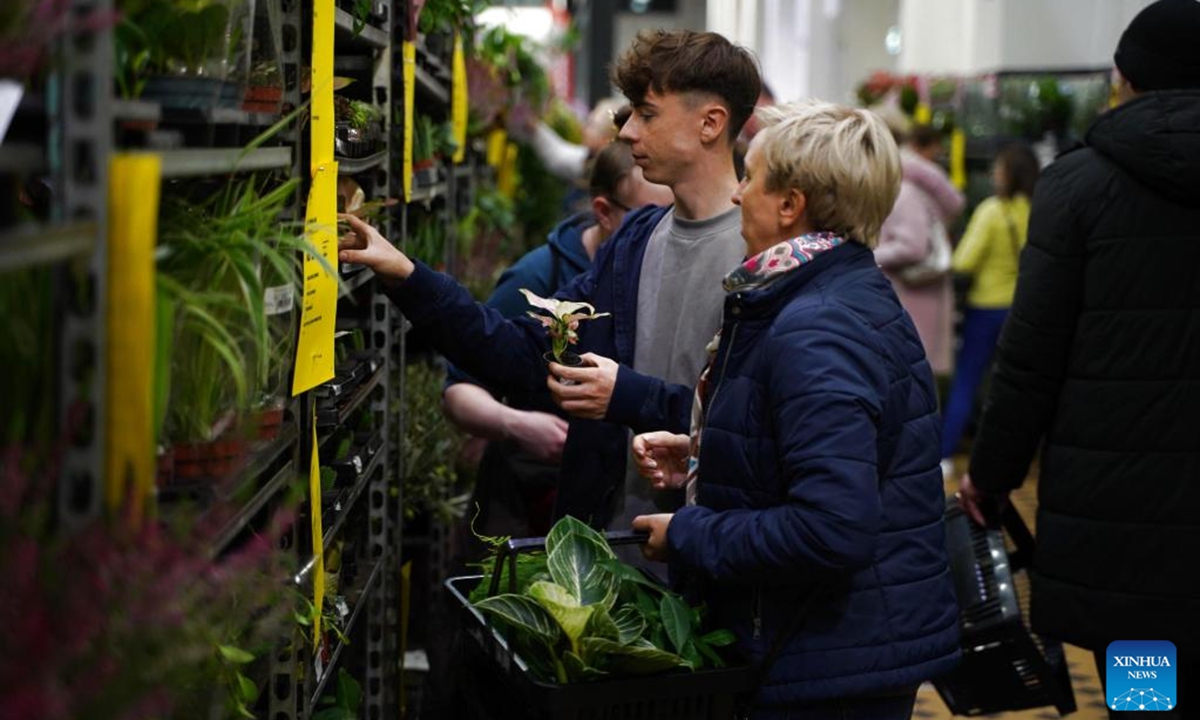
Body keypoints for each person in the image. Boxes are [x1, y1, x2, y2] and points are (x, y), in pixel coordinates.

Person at [338, 29, 761, 530]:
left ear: (710, 123)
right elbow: (522, 351)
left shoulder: (763, 259)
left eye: (647, 114)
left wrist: (626, 395)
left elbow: (759, 430)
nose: (626, 133)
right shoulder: (632, 244)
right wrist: (406, 275)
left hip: (711, 560)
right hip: (602, 555)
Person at [629, 99, 960, 719]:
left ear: (790, 205)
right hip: (836, 649)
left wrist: (690, 532)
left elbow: (833, 527)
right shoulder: (834, 294)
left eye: (750, 177)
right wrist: (710, 459)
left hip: (823, 666)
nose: (737, 196)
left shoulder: (817, 325)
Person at [957, 1, 1200, 715]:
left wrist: (993, 476)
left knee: (1144, 699)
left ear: (1123, 79)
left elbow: (1030, 356)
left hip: (1118, 525)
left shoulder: (1076, 186)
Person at [441, 139, 672, 550]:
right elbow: (459, 388)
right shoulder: (537, 279)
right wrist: (517, 424)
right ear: (603, 212)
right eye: (648, 217)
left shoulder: (655, 276)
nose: (662, 230)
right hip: (525, 497)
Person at [938, 142, 1039, 471]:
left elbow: (964, 260)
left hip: (985, 309)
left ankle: (945, 454)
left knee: (967, 379)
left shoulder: (992, 211)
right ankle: (1020, 454)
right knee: (1016, 382)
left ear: (1008, 174)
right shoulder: (1039, 209)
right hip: (1021, 308)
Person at [875, 124, 965, 382]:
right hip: (916, 299)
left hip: (912, 299)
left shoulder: (904, 191)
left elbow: (913, 247)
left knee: (912, 382)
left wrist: (867, 255)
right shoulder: (910, 186)